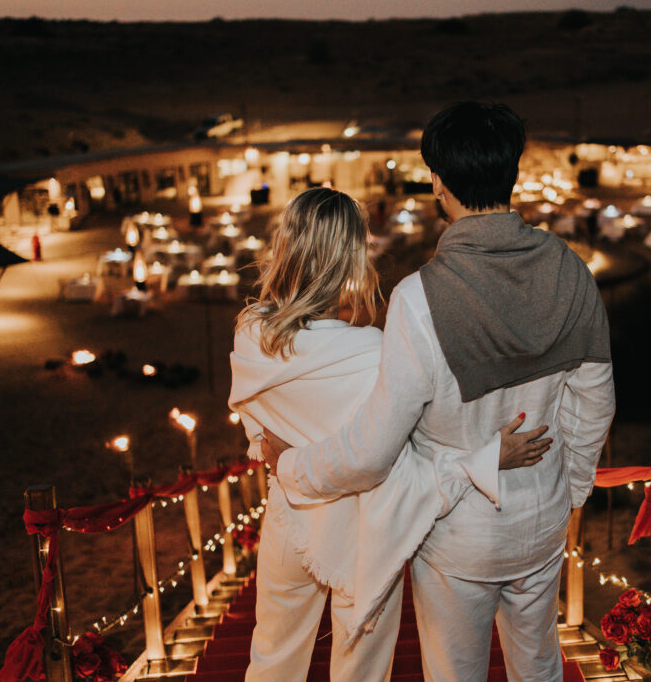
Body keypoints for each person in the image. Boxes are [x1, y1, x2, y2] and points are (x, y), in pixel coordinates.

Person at [263, 102, 615, 681]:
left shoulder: (419, 299)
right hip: (542, 522)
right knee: (542, 669)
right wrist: (569, 492)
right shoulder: (571, 271)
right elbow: (595, 401)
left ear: (438, 183)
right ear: (512, 175)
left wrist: (295, 467)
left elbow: (374, 450)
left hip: (457, 537)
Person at [228, 187, 549, 682]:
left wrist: (284, 458)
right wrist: (488, 457)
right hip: (366, 531)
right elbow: (405, 459)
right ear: (354, 256)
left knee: (272, 655)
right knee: (361, 668)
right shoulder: (374, 350)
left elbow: (259, 432)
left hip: (290, 519)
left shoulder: (252, 333)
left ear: (286, 244)